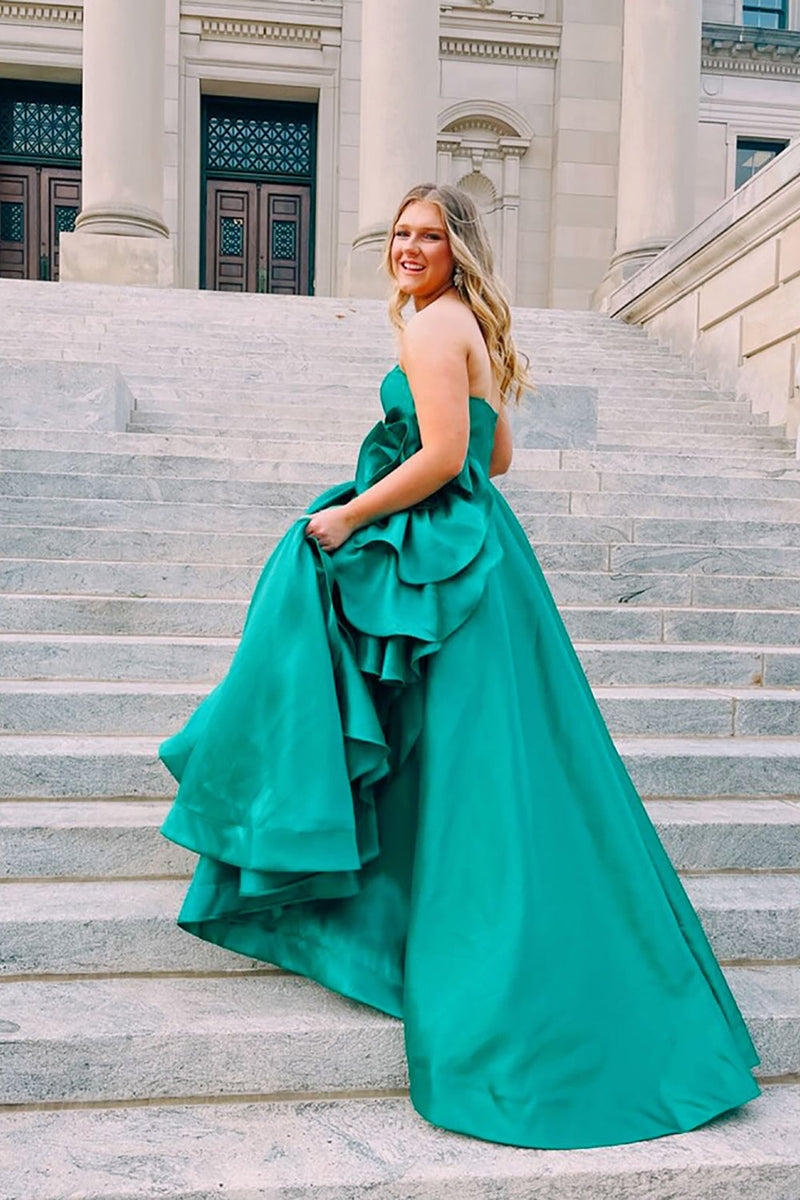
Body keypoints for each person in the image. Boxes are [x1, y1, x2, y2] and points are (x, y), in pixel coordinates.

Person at [158, 182, 762, 1151]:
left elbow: (445, 455)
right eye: (398, 233)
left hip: (450, 559)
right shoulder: (463, 325)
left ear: (457, 248)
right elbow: (498, 455)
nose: (406, 248)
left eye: (427, 236)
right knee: (495, 768)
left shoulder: (433, 331)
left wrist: (354, 512)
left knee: (381, 693)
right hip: (480, 556)